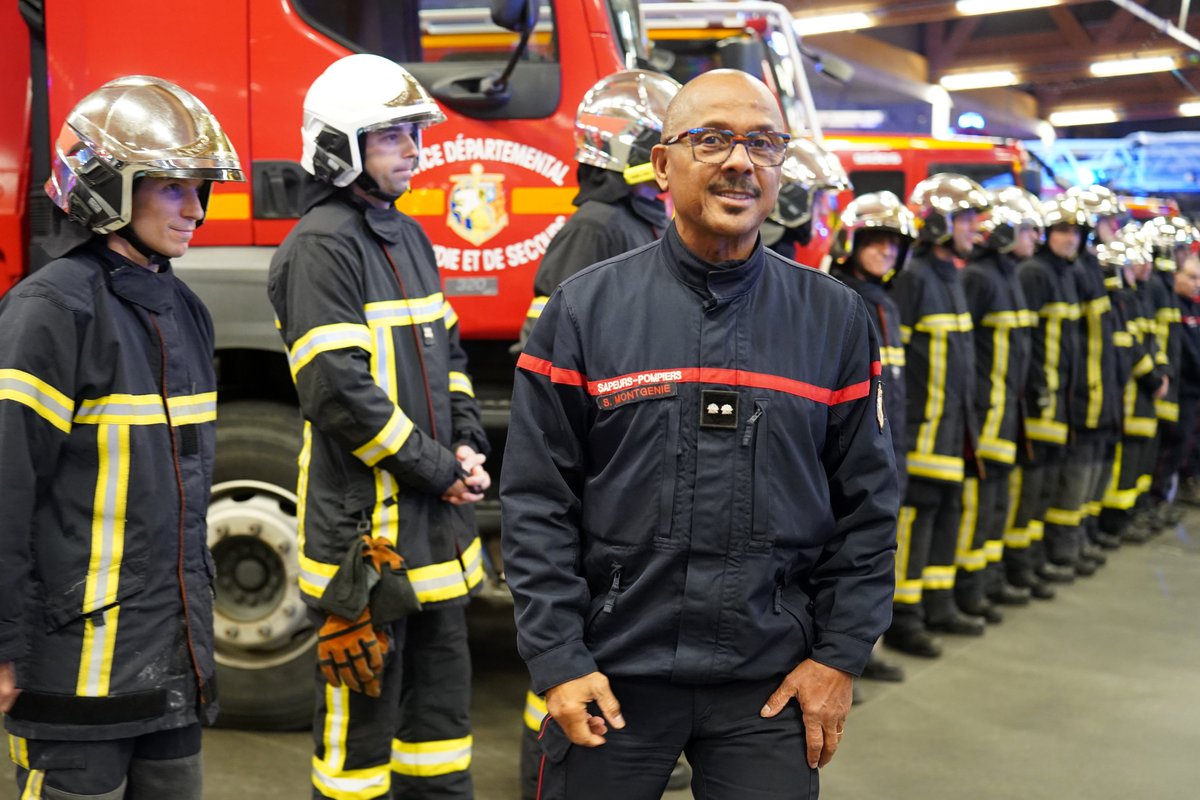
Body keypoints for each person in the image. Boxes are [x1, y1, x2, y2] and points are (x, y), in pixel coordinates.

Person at [502, 69, 897, 799]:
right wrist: (558, 658)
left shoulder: (836, 321)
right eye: (712, 139)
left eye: (764, 143)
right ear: (661, 164)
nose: (740, 162)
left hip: (770, 688)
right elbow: (535, 503)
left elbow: (868, 510)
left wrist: (839, 659)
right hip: (612, 682)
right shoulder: (585, 311)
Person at [0, 75, 244, 799]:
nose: (196, 209)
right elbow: (6, 493)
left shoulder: (188, 312)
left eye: (200, 188)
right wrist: (4, 646)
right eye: (172, 187)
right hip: (75, 678)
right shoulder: (47, 311)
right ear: (105, 185)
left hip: (173, 673)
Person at [267, 54, 490, 800]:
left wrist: (468, 442)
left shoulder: (410, 237)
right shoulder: (321, 245)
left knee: (440, 734)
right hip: (367, 548)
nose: (415, 152)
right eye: (393, 137)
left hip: (434, 545)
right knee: (357, 752)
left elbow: (450, 355)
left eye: (413, 136)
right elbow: (338, 396)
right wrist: (439, 469)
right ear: (341, 147)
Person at [512, 68, 684, 800]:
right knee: (568, 652)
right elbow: (559, 376)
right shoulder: (596, 228)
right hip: (598, 473)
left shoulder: (648, 222)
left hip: (641, 473)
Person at [884, 173, 986, 658]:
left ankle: (935, 604)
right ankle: (903, 618)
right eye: (967, 218)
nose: (976, 228)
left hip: (952, 430)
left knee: (944, 517)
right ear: (940, 222)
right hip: (922, 433)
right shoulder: (914, 278)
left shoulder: (953, 276)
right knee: (914, 524)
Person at [829, 190, 915, 684]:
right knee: (842, 557)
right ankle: (835, 663)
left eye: (895, 244)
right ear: (852, 242)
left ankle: (865, 651)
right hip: (851, 453)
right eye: (877, 241)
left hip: (888, 446)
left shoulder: (887, 304)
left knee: (876, 555)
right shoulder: (841, 297)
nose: (886, 251)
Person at [957, 187, 1041, 619]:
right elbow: (966, 353)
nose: (1035, 238)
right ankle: (967, 590)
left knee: (996, 504)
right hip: (985, 414)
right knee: (977, 504)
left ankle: (987, 582)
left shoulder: (1011, 275)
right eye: (1027, 228)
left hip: (1008, 412)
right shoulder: (979, 278)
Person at [1007, 196, 1088, 592]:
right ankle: (1018, 566)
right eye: (1061, 231)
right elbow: (1029, 346)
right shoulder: (1035, 273)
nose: (1069, 239)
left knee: (1046, 489)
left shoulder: (1067, 275)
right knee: (1030, 488)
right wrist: (1036, 392)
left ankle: (1033, 560)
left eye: (1075, 232)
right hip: (1040, 401)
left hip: (1061, 402)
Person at [762, 137, 852, 267]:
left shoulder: (755, 240)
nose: (823, 211)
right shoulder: (779, 250)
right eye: (819, 198)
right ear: (795, 197)